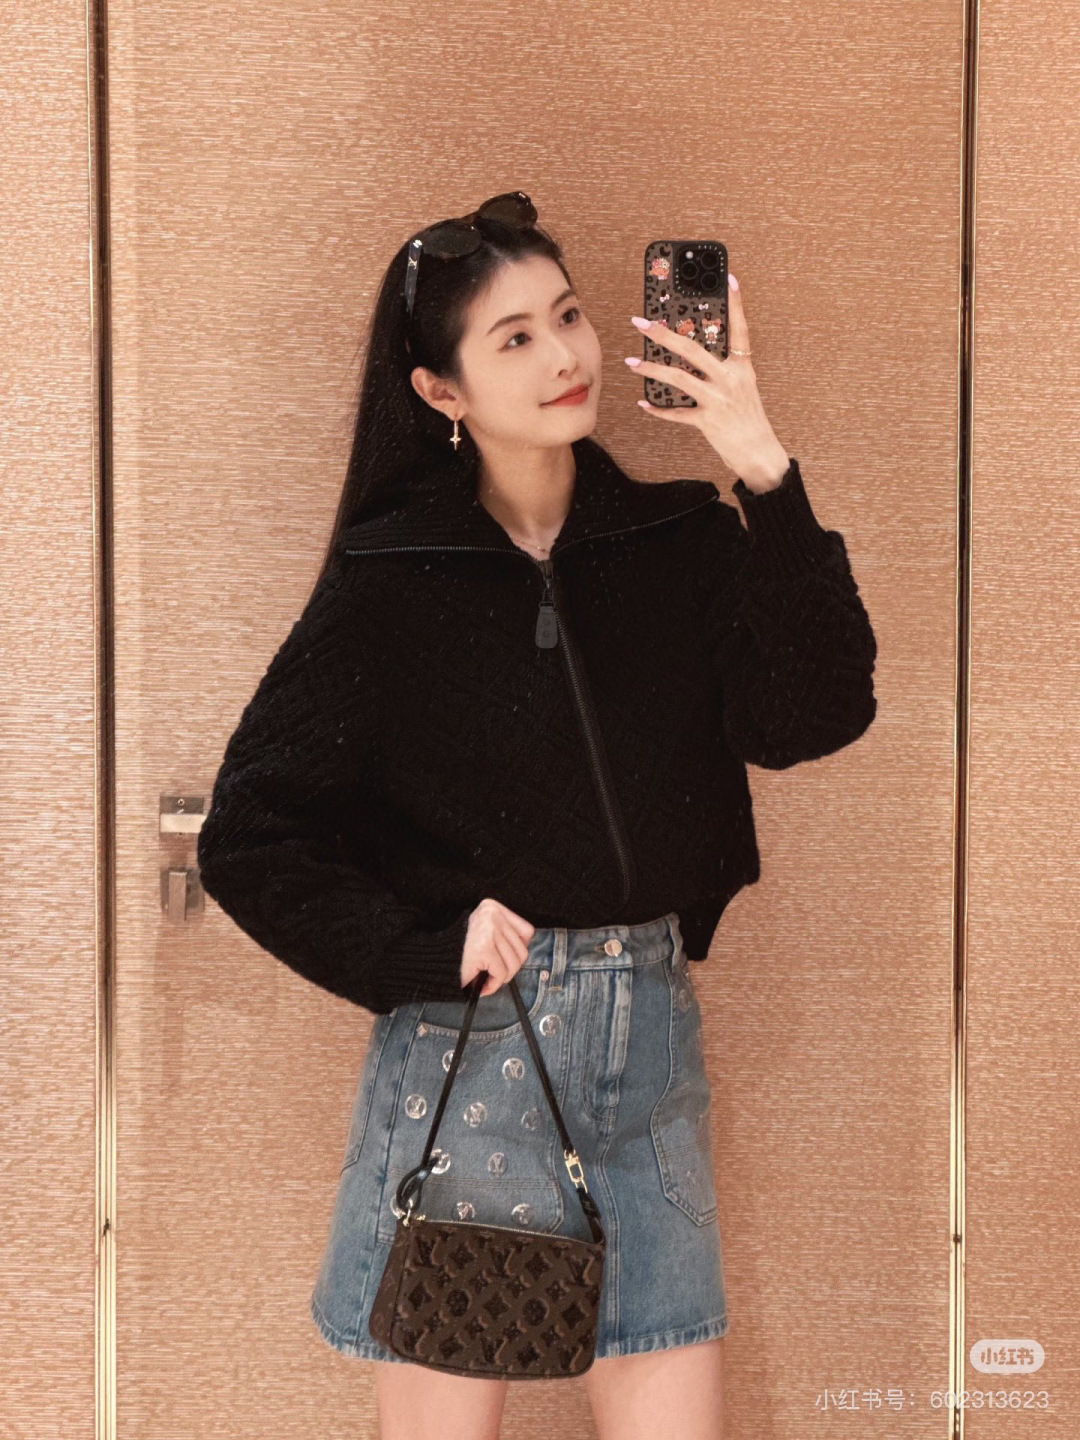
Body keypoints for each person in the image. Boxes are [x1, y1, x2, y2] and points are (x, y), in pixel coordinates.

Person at [196, 192, 878, 1440]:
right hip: (475, 1056)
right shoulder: (394, 583)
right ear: (439, 390)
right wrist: (422, 949)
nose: (564, 355)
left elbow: (817, 715)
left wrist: (763, 471)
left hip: (650, 1046)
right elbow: (250, 835)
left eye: (567, 317)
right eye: (513, 338)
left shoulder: (681, 540)